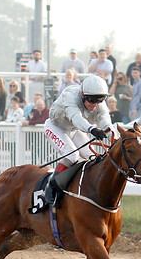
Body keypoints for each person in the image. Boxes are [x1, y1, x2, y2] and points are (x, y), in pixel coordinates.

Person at [43, 75, 112, 203]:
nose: (95, 105)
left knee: (92, 156)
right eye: (92, 101)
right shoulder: (70, 95)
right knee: (72, 155)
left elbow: (105, 120)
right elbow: (76, 118)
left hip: (74, 130)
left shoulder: (97, 103)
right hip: (56, 127)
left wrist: (114, 138)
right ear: (82, 95)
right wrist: (92, 129)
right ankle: (52, 185)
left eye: (99, 101)